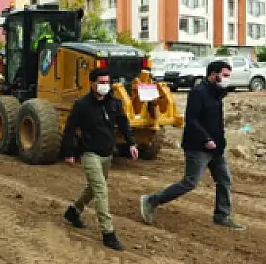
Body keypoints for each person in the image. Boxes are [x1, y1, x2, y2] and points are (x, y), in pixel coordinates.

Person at [140, 60, 246, 231]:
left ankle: (222, 214)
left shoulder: (217, 92)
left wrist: (219, 141)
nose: (228, 79)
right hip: (198, 147)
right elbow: (192, 120)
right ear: (213, 74)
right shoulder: (198, 92)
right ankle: (151, 200)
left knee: (224, 179)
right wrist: (206, 139)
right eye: (225, 75)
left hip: (217, 146)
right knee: (190, 182)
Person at [60, 69, 138, 251]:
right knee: (101, 190)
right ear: (92, 83)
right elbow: (69, 129)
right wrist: (69, 153)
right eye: (101, 82)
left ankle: (73, 211)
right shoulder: (82, 105)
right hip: (90, 154)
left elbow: (124, 123)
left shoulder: (114, 103)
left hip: (107, 154)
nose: (105, 86)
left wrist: (132, 144)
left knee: (93, 187)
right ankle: (108, 233)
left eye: (107, 82)